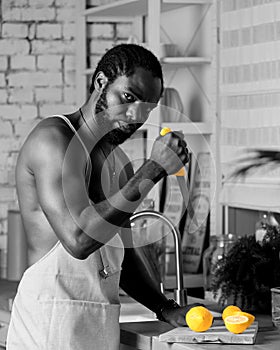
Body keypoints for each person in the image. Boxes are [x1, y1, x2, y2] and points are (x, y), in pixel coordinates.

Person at [7, 44, 200, 350]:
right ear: (101, 83)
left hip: (96, 331)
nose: (136, 115)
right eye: (128, 97)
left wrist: (164, 308)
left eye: (147, 108)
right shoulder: (53, 140)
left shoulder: (117, 161)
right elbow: (79, 239)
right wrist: (151, 169)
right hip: (46, 331)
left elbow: (119, 254)